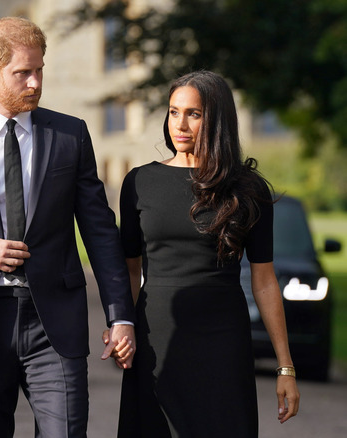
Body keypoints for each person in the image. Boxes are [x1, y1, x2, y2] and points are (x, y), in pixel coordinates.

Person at [0, 17, 137, 437]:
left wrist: (120, 315)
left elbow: (100, 231)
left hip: (54, 325)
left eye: (39, 71)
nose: (35, 83)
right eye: (22, 73)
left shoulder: (70, 135)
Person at [117, 70, 300, 437]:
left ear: (217, 119)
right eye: (173, 112)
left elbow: (264, 281)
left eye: (194, 114)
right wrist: (124, 325)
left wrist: (285, 367)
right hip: (157, 341)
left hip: (222, 344)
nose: (179, 124)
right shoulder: (139, 182)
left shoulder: (248, 189)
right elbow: (129, 269)